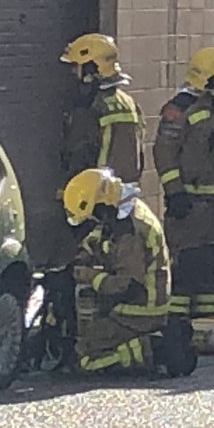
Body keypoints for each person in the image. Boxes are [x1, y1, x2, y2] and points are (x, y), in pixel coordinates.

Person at [153, 47, 214, 318]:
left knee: (213, 266)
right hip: (191, 207)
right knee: (186, 267)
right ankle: (178, 327)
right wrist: (174, 192)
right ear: (212, 80)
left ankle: (207, 323)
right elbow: (164, 151)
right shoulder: (179, 109)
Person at [63, 167, 172, 373]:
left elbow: (127, 285)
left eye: (94, 213)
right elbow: (98, 240)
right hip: (128, 307)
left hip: (139, 312)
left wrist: (88, 276)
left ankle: (150, 349)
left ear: (102, 204)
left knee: (84, 356)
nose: (94, 220)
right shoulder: (119, 214)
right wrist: (79, 259)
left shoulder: (129, 229)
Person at [58, 33, 145, 264]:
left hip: (92, 200)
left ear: (90, 70)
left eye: (77, 68)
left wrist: (67, 192)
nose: (73, 74)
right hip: (122, 198)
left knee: (90, 266)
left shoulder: (91, 108)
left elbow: (80, 153)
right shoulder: (128, 102)